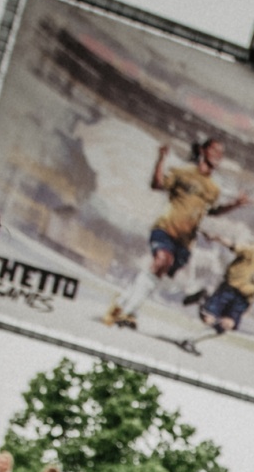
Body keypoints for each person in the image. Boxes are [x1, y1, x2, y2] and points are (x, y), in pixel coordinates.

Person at [103, 137, 245, 330]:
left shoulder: (213, 188)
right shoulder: (183, 172)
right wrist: (161, 159)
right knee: (162, 261)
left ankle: (120, 304)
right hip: (166, 228)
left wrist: (235, 205)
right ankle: (129, 312)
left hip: (185, 241)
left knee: (159, 273)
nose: (218, 155)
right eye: (214, 150)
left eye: (221, 153)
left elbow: (212, 211)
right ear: (202, 151)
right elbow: (157, 184)